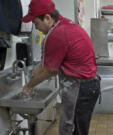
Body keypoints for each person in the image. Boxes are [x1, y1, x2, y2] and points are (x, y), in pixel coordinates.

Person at [21, 0, 101, 135]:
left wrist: (28, 86)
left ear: (47, 18)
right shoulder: (66, 24)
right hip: (88, 86)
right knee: (75, 128)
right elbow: (51, 61)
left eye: (36, 23)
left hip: (80, 88)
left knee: (70, 129)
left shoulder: (56, 33)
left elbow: (50, 71)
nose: (36, 27)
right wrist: (38, 70)